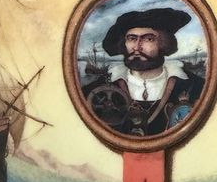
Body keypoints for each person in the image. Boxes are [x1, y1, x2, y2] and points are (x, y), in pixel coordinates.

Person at [83, 8, 205, 136]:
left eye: (148, 39)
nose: (137, 47)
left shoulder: (194, 86)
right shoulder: (98, 87)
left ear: (164, 43)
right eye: (131, 38)